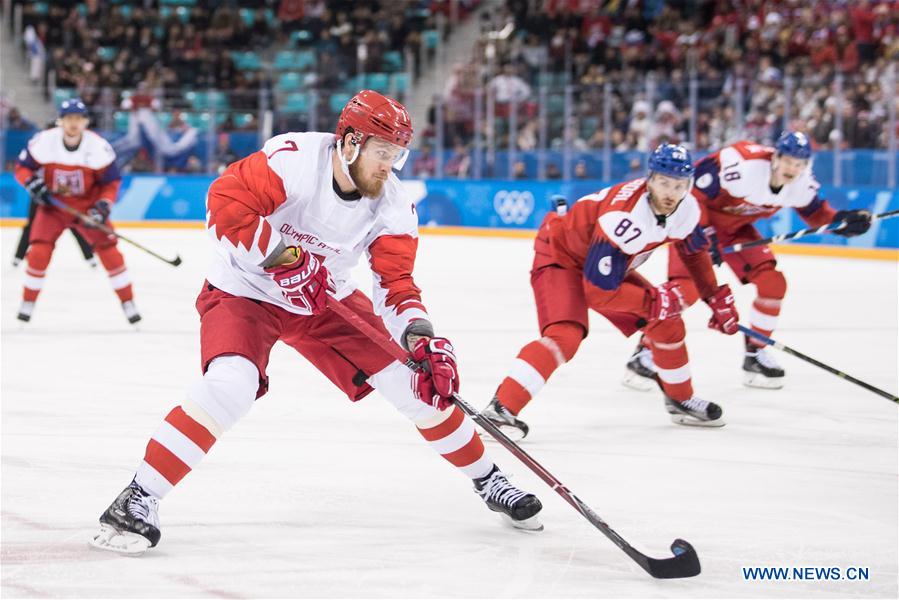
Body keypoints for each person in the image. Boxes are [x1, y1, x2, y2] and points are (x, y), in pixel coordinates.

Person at [89, 90, 543, 556]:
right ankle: (138, 497)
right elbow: (225, 203)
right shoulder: (294, 160)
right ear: (349, 142)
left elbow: (396, 282)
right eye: (382, 153)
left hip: (326, 298)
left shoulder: (392, 204)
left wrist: (420, 336)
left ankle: (489, 480)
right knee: (231, 384)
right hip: (246, 288)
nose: (390, 166)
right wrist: (285, 258)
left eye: (397, 155)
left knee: (418, 385)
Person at [481, 144, 740, 438]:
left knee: (667, 324)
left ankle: (680, 399)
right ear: (650, 179)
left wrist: (713, 295)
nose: (670, 192)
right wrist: (655, 302)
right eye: (664, 182)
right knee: (565, 335)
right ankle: (500, 409)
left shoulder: (687, 207)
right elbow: (598, 292)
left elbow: (693, 254)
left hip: (603, 265)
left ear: (688, 184)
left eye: (679, 185)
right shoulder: (624, 217)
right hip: (561, 256)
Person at [622, 132, 871, 390]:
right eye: (789, 161)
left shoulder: (801, 183)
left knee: (773, 283)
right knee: (687, 291)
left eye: (799, 164)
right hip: (694, 226)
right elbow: (693, 193)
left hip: (735, 231)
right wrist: (704, 234)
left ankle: (756, 354)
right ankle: (645, 353)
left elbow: (818, 213)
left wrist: (843, 221)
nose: (793, 169)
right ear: (776, 157)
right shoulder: (743, 164)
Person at [13, 98, 140, 324]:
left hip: (87, 205)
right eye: (69, 118)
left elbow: (111, 183)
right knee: (39, 252)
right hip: (54, 205)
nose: (74, 123)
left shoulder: (99, 148)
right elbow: (22, 168)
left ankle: (127, 301)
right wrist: (32, 184)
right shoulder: (44, 141)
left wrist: (103, 206)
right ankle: (28, 301)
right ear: (60, 121)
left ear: (85, 122)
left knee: (110, 251)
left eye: (78, 118)